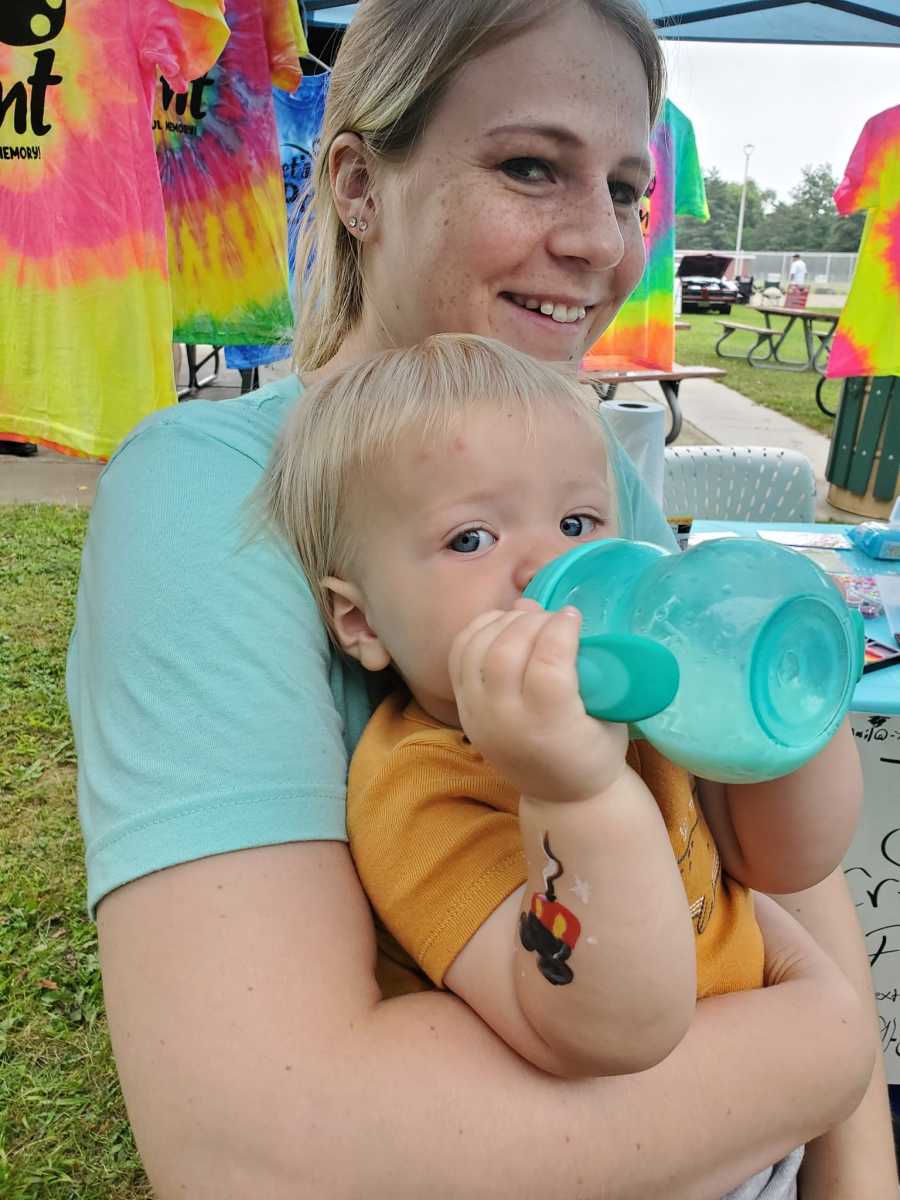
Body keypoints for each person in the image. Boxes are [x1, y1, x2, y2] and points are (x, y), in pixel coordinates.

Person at [67, 0, 897, 1197]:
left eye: (626, 189)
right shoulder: (222, 489)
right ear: (358, 183)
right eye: (529, 167)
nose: (602, 242)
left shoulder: (582, 466)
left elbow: (778, 862)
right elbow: (263, 1153)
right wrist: (821, 1047)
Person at [262, 331, 862, 1087]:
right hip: (639, 1129)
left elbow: (782, 861)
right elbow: (611, 1035)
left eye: (577, 524)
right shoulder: (420, 790)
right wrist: (575, 797)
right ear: (362, 622)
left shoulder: (639, 705)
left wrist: (786, 709)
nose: (552, 563)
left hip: (764, 1092)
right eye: (471, 538)